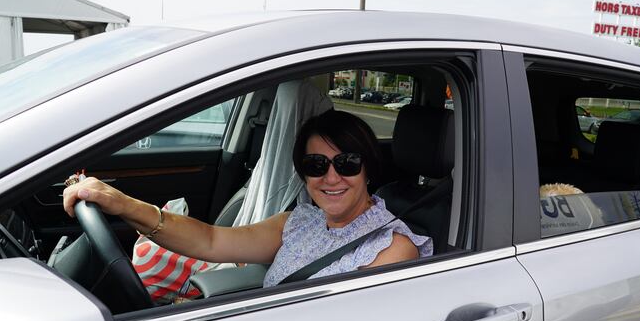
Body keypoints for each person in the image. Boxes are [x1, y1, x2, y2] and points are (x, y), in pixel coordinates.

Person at [62, 110, 433, 290]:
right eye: (316, 164)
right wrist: (123, 204)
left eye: (347, 163)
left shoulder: (392, 250)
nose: (331, 177)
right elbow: (211, 240)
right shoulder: (300, 220)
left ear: (369, 168)